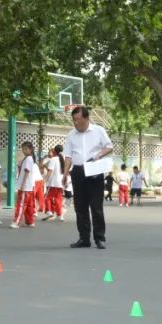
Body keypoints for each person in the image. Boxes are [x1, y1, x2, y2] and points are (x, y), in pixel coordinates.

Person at [62, 106, 114, 249]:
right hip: (78, 171)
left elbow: (109, 147)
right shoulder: (71, 134)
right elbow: (68, 155)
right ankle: (84, 238)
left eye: (78, 119)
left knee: (96, 206)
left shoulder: (98, 131)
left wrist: (98, 155)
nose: (76, 123)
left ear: (86, 118)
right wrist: (65, 174)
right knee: (80, 206)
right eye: (74, 120)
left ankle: (99, 238)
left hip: (94, 171)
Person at [11, 141, 37, 228]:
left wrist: (22, 184)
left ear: (30, 149)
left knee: (21, 204)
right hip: (29, 186)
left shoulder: (29, 159)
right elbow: (22, 170)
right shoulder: (28, 159)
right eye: (23, 149)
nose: (24, 151)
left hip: (25, 186)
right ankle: (30, 222)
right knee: (29, 205)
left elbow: (26, 172)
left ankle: (16, 222)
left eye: (26, 149)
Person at [42, 145, 66, 221]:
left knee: (47, 197)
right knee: (58, 199)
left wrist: (45, 180)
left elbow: (50, 171)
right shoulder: (63, 159)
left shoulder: (53, 159)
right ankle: (60, 215)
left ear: (54, 151)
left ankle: (49, 211)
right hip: (60, 183)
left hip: (53, 182)